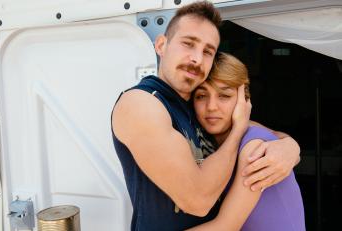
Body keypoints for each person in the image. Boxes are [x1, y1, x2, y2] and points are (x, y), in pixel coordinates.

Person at [111, 1, 300, 230]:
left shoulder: (194, 109)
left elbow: (266, 134)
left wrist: (291, 147)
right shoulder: (142, 103)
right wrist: (238, 131)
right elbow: (198, 202)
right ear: (161, 45)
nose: (197, 59)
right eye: (188, 44)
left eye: (207, 51)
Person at [189, 52, 305, 231]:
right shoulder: (211, 137)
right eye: (201, 96)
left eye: (224, 96)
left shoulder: (254, 148)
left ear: (244, 100)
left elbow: (226, 226)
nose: (211, 106)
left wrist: (292, 147)